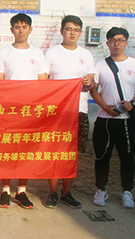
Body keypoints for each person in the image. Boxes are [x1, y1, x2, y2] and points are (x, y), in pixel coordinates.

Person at [0, 13, 48, 209]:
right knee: (7, 149)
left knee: (26, 151)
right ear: (11, 29)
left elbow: (43, 83)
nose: (21, 30)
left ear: (30, 29)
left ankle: (21, 191)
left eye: (24, 26)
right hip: (9, 110)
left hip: (30, 111)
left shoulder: (37, 54)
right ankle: (5, 189)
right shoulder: (4, 53)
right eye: (17, 27)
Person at [89, 27, 135, 209]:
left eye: (120, 40)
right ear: (107, 43)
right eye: (113, 40)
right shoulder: (100, 65)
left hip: (126, 120)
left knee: (127, 157)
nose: (116, 43)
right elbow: (93, 89)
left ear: (126, 43)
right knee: (102, 157)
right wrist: (105, 106)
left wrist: (133, 103)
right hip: (105, 120)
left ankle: (127, 191)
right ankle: (101, 189)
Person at [44, 15, 95, 209]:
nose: (72, 32)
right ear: (61, 31)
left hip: (79, 111)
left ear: (81, 33)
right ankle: (52, 192)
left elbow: (93, 84)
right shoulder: (51, 53)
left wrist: (89, 83)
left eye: (76, 29)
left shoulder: (86, 55)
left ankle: (67, 192)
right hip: (57, 113)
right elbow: (43, 83)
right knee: (55, 153)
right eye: (68, 28)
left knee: (72, 155)